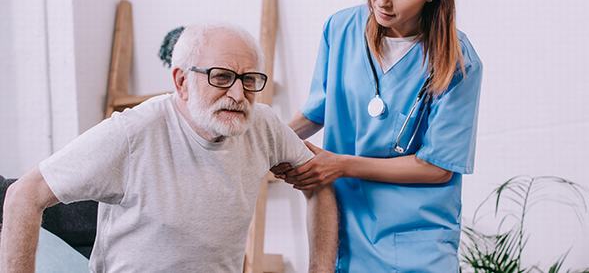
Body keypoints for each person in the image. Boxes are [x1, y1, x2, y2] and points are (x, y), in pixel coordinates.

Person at [0, 25, 337, 273]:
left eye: (249, 80)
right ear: (181, 81)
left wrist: (320, 269)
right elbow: (23, 195)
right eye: (221, 77)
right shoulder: (132, 133)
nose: (238, 94)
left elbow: (321, 182)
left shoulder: (262, 124)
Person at [273, 0, 483, 271]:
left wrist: (342, 164)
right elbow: (316, 111)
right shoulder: (340, 29)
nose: (381, 1)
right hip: (348, 230)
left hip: (419, 242)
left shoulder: (456, 60)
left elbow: (438, 167)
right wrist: (261, 139)